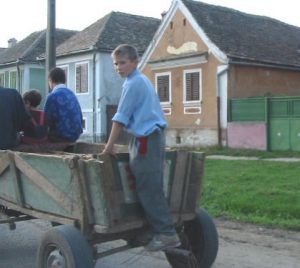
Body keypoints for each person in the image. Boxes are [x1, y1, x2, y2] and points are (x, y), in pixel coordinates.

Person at [103, 44, 180, 251]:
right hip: (147, 137)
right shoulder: (139, 80)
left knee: (149, 187)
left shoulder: (134, 83)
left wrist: (109, 147)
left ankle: (166, 234)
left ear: (135, 62)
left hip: (147, 140)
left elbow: (120, 118)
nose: (119, 67)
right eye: (116, 64)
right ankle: (152, 228)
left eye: (123, 63)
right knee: (146, 185)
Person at [44, 67, 83, 142]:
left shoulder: (52, 96)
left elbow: (46, 120)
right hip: (75, 135)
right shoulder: (72, 94)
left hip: (60, 136)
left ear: (51, 80)